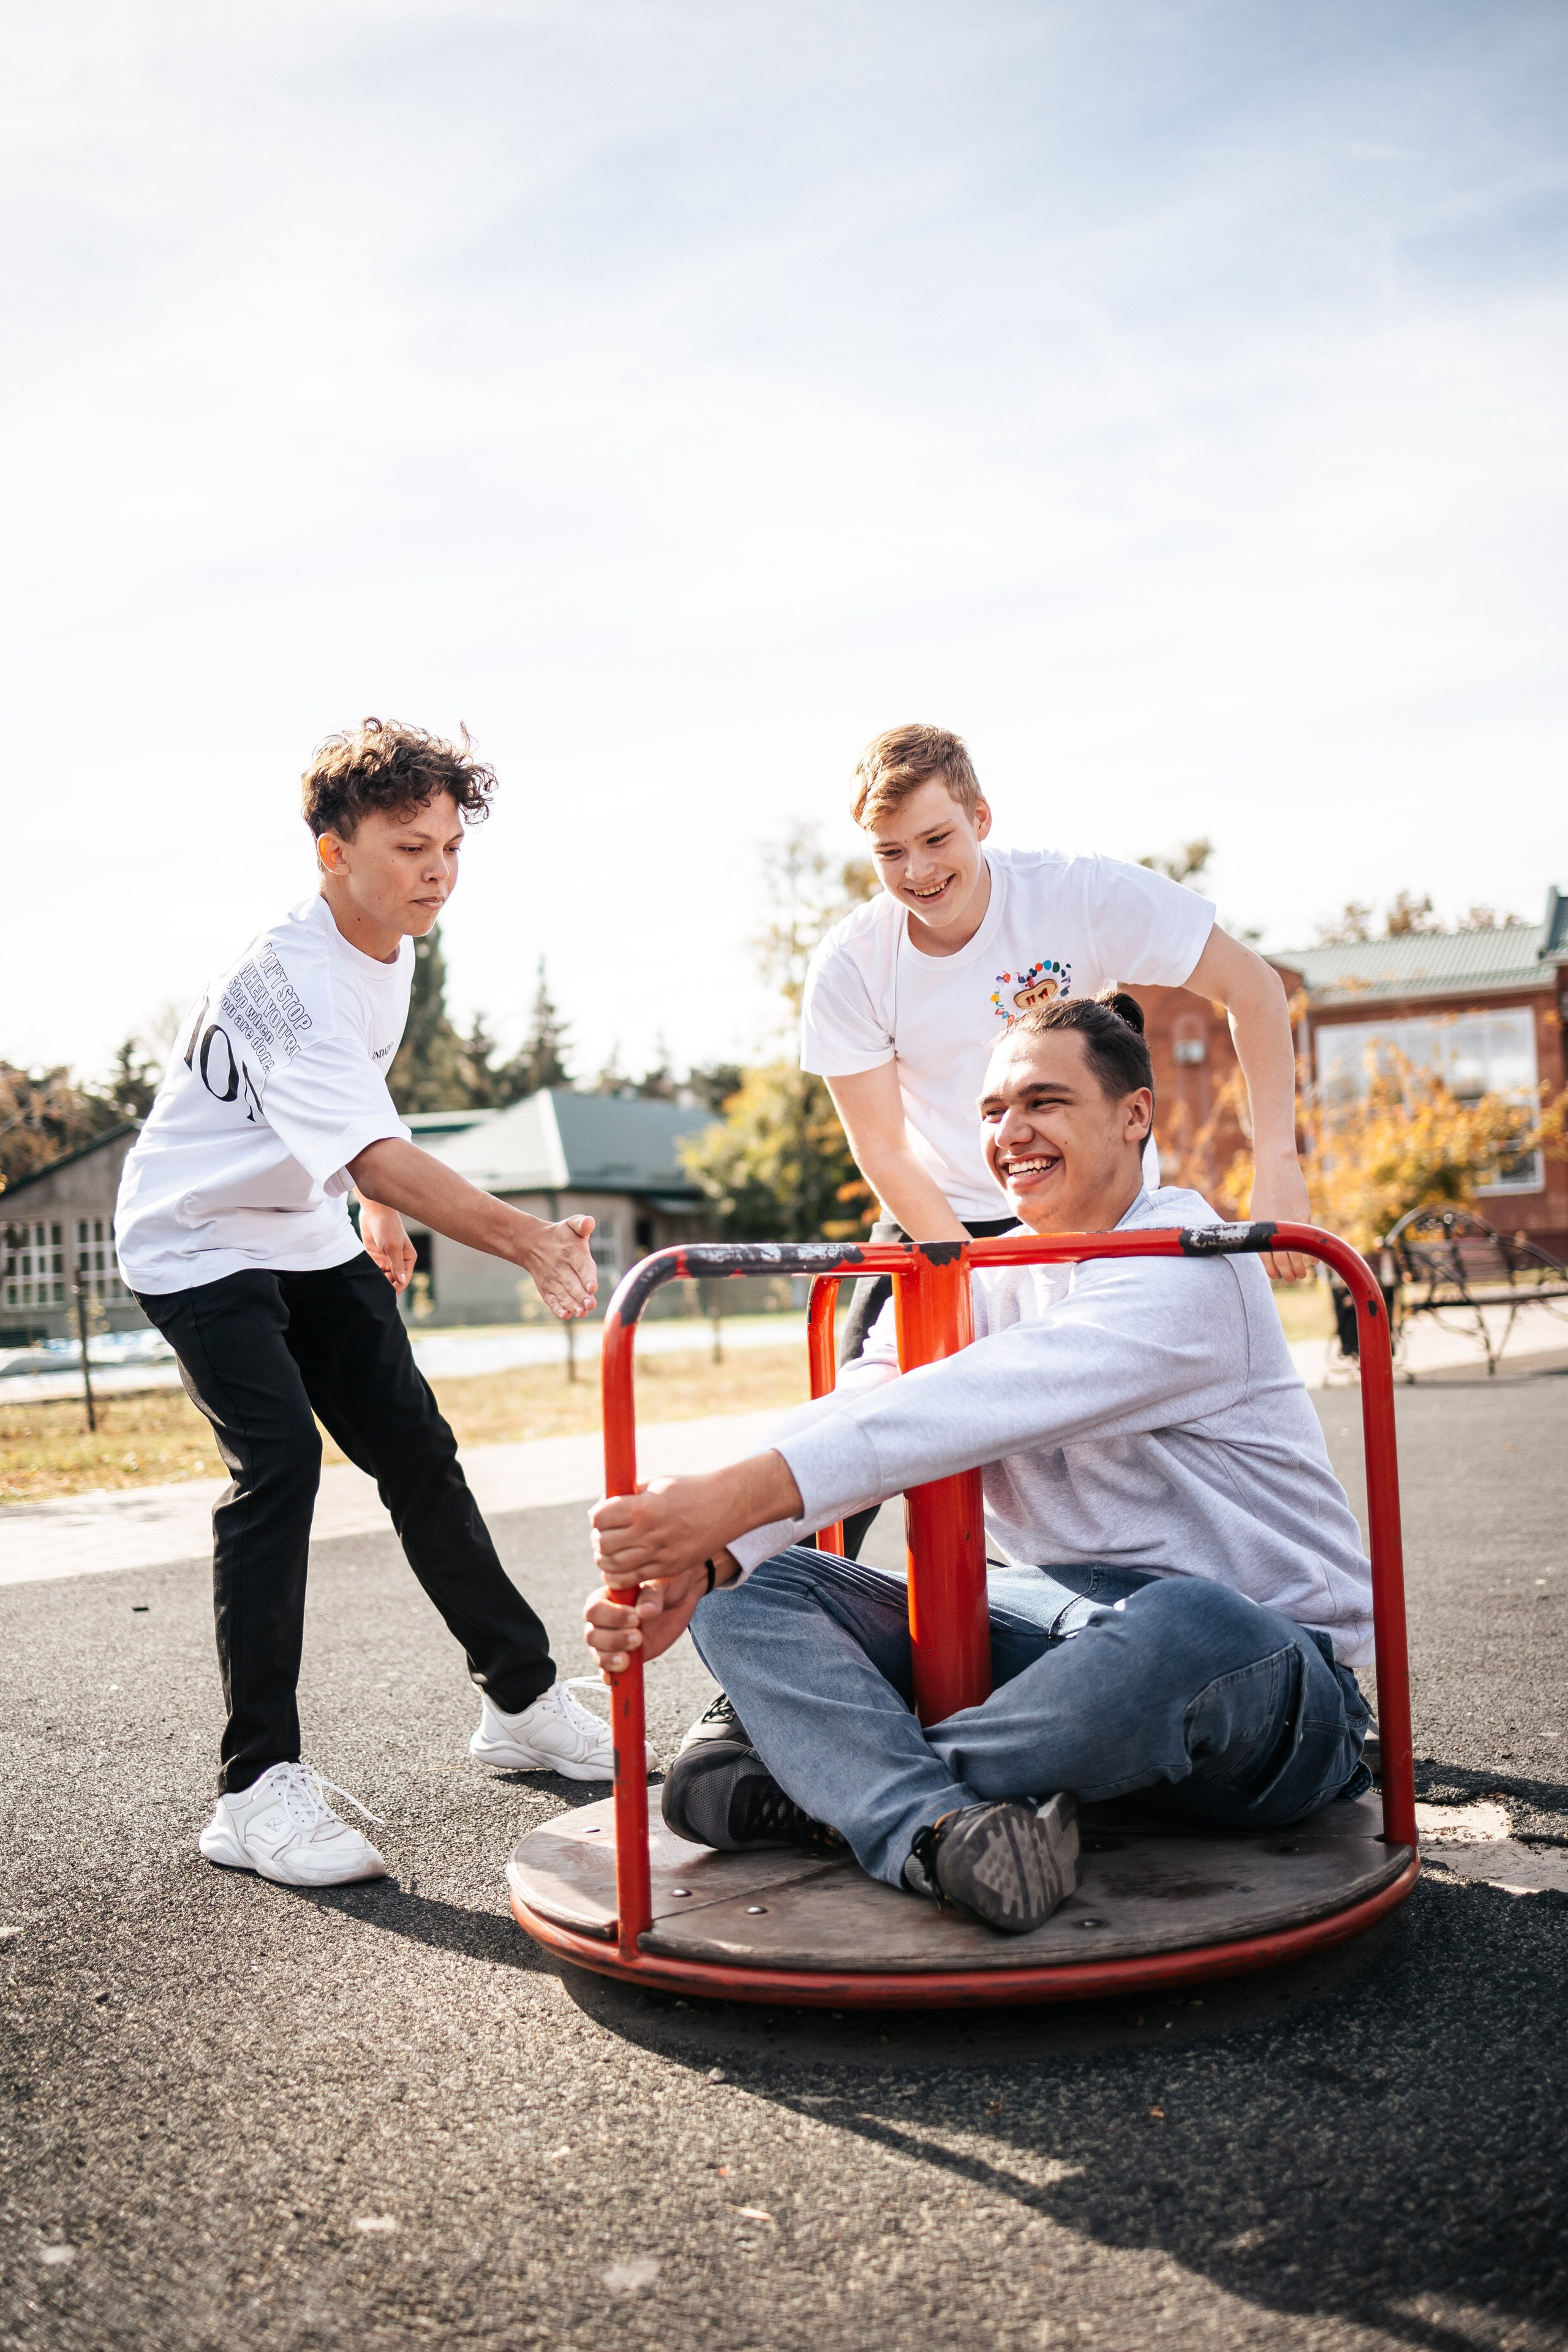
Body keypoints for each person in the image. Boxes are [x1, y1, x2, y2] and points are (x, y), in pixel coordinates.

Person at [583, 993, 1372, 1937]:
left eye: (1045, 1101)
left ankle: (838, 1788)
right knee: (757, 1583)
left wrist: (732, 1501)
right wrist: (712, 1551)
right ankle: (935, 1829)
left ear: (1134, 1116)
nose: (1012, 1133)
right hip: (1059, 1636)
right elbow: (872, 1402)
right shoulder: (985, 1273)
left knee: (1191, 1624)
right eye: (994, 1111)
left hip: (1264, 1687)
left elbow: (960, 1406)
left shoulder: (1187, 1265)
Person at [116, 717, 647, 1891]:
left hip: (304, 1226)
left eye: (451, 846)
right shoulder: (288, 976)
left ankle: (517, 1704)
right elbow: (360, 1130)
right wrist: (519, 1239)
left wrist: (381, 1208)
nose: (438, 871)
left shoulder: (391, 947)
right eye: (411, 847)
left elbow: (360, 1107)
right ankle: (254, 1790)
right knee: (280, 1467)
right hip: (196, 1236)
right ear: (330, 850)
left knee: (415, 1448)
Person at [804, 722, 1311, 1558]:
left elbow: (1251, 988)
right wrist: (957, 1270)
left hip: (1092, 1210)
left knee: (1099, 1440)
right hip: (943, 1214)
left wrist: (1278, 1168)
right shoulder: (854, 962)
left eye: (937, 839)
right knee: (853, 1423)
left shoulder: (1077, 897)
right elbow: (884, 1147)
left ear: (982, 819)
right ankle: (774, 1661)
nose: (920, 872)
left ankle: (1202, 1602)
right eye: (891, 853)